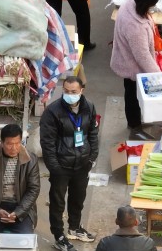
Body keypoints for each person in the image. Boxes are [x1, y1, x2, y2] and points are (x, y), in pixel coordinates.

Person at [40, 76, 99, 251]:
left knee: (78, 198)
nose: (69, 95)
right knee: (57, 202)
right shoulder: (52, 112)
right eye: (66, 91)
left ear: (82, 91)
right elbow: (47, 144)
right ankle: (59, 235)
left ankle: (75, 227)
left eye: (73, 92)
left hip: (82, 163)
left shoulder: (89, 107)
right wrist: (54, 168)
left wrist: (91, 157)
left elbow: (93, 133)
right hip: (61, 166)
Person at [110, 0, 162, 141]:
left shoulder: (131, 3)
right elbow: (142, 55)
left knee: (133, 94)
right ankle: (134, 127)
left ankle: (136, 122)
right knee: (132, 96)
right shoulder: (133, 25)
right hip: (131, 66)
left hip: (128, 60)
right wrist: (159, 76)